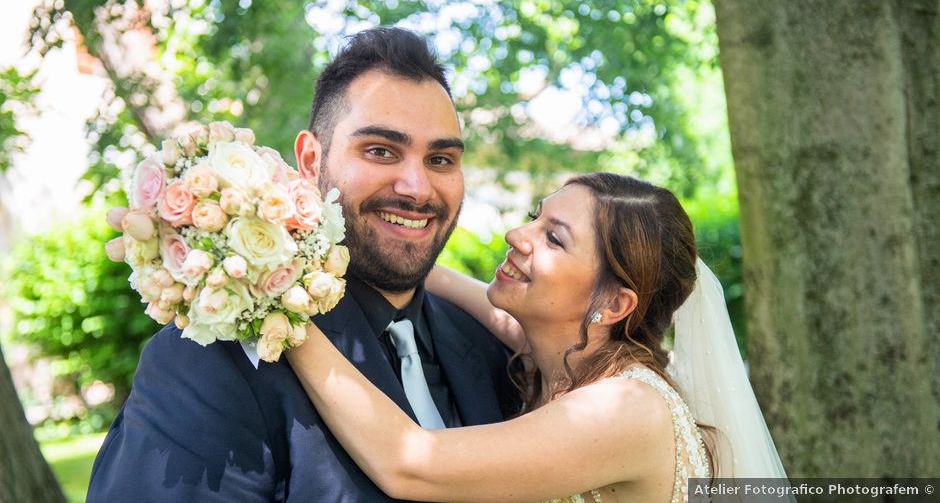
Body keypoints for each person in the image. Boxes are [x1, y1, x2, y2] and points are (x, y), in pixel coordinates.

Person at [87, 27, 519, 501]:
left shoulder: (492, 349)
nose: (416, 188)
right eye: (380, 151)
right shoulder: (210, 363)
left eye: (440, 159)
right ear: (310, 161)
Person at [286, 173, 789, 502]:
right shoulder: (569, 359)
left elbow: (409, 462)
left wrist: (279, 305)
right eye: (535, 217)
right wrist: (344, 240)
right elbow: (470, 296)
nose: (516, 236)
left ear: (613, 305)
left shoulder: (625, 410)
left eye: (554, 238)